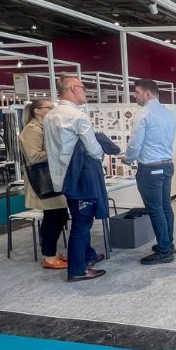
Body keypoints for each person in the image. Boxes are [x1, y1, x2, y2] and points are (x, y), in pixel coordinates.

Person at [44, 74, 107, 282]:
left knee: (80, 219)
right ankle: (78, 270)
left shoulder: (50, 116)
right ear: (72, 89)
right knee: (82, 223)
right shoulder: (77, 116)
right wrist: (102, 153)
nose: (85, 91)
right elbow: (94, 150)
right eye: (83, 87)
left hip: (62, 178)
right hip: (81, 178)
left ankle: (87, 256)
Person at [124, 79, 176, 265]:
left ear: (147, 93)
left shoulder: (143, 114)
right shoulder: (169, 114)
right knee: (164, 207)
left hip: (150, 168)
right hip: (167, 165)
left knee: (155, 209)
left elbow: (135, 142)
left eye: (137, 92)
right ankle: (168, 244)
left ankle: (164, 250)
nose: (135, 95)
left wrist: (128, 158)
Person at [19, 98, 69, 270]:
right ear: (37, 111)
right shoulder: (32, 130)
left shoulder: (45, 128)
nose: (53, 110)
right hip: (42, 180)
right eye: (49, 108)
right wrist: (57, 152)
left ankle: (50, 253)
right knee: (56, 216)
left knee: (56, 215)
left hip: (52, 178)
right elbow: (33, 157)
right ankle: (49, 256)